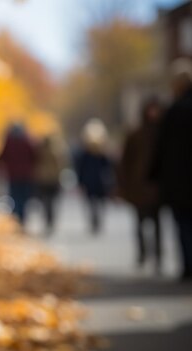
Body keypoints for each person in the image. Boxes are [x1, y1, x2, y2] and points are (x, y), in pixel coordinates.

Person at [150, 58, 192, 281]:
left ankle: (188, 265)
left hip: (178, 180)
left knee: (183, 223)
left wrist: (154, 174)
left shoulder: (174, 111)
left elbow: (162, 147)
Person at [118, 97, 163, 272]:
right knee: (139, 222)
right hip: (137, 186)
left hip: (156, 186)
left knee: (157, 222)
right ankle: (143, 253)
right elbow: (125, 162)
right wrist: (124, 184)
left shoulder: (162, 134)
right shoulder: (135, 134)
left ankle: (158, 255)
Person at [74, 118, 114, 234]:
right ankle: (95, 221)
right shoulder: (89, 154)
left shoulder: (95, 154)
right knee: (94, 204)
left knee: (95, 203)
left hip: (94, 182)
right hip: (95, 182)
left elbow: (107, 167)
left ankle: (96, 221)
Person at [0, 123, 36, 226]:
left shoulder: (9, 142)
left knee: (14, 197)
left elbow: (2, 157)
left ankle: (16, 218)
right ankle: (21, 218)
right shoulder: (26, 141)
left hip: (13, 175)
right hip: (25, 175)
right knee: (23, 198)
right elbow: (34, 156)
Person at [33, 136, 63, 234]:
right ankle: (50, 219)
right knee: (51, 202)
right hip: (52, 179)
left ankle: (47, 219)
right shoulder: (54, 152)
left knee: (45, 201)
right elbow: (59, 166)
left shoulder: (39, 153)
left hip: (43, 180)